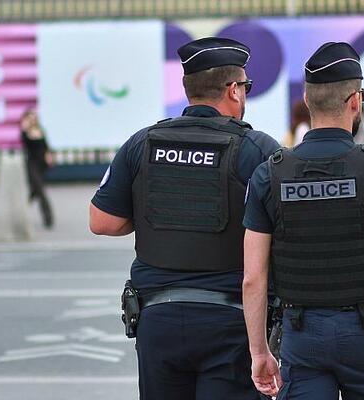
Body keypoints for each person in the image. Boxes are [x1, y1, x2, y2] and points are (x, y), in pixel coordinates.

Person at [242, 42, 364, 399]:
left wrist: (259, 352)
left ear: (308, 97)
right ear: (354, 101)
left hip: (301, 337)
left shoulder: (269, 176)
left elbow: (254, 279)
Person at [89, 37, 279, 400]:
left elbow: (103, 221)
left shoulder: (142, 143)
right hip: (230, 322)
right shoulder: (257, 150)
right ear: (234, 90)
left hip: (158, 319)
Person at [20, 109, 54, 229]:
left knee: (34, 191)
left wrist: (49, 156)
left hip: (42, 164)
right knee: (40, 191)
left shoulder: (40, 130)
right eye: (30, 117)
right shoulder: (26, 132)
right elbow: (24, 143)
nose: (33, 119)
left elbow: (46, 146)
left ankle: (21, 209)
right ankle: (48, 217)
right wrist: (24, 128)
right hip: (32, 163)